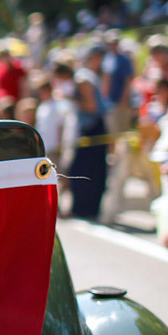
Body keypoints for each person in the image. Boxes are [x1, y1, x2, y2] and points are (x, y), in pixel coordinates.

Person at [67, 45, 108, 219]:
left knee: (86, 170)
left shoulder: (83, 79)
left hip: (92, 129)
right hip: (90, 128)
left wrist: (71, 99)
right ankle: (85, 208)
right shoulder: (87, 76)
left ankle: (85, 208)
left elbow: (91, 106)